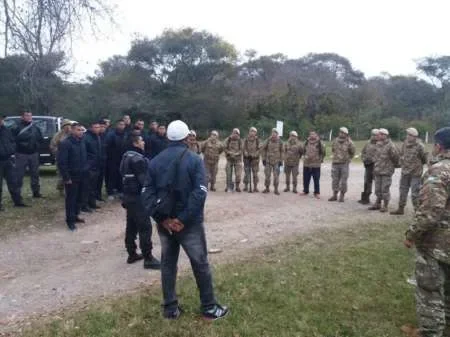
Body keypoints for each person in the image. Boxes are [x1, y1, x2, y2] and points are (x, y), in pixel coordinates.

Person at [147, 120, 228, 320]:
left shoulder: (155, 161)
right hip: (189, 223)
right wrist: (182, 220)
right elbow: (199, 193)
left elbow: (147, 194)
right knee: (200, 263)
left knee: (168, 264)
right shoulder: (193, 160)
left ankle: (170, 308)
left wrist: (163, 219)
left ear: (168, 137)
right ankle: (209, 307)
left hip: (164, 224)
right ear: (186, 138)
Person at [403, 127, 450, 337]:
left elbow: (431, 211)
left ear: (438, 146)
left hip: (438, 242)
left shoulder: (439, 171)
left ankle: (431, 331)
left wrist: (412, 234)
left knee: (430, 288)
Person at [120, 134, 161, 269]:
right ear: (136, 143)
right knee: (145, 227)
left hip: (128, 196)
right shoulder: (138, 160)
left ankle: (132, 253)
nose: (143, 142)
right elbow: (144, 182)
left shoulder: (126, 156)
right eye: (141, 140)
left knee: (131, 226)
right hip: (137, 198)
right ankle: (148, 257)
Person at [57, 123, 88, 231]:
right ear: (73, 131)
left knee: (80, 197)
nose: (81, 132)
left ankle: (75, 215)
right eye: (78, 130)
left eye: (82, 130)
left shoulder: (82, 141)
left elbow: (85, 157)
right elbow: (62, 162)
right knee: (71, 199)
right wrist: (66, 177)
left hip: (82, 174)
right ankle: (70, 220)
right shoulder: (66, 143)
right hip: (71, 176)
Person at [391, 128, 428, 215]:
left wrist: (416, 165)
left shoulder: (420, 146)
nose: (408, 136)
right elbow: (401, 154)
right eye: (407, 134)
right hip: (405, 172)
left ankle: (417, 212)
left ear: (415, 136)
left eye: (410, 135)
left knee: (415, 193)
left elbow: (424, 159)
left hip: (415, 173)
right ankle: (400, 209)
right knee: (402, 191)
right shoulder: (405, 143)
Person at [11, 109, 44, 198]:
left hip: (34, 154)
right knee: (19, 175)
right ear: (22, 117)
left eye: (30, 115)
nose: (29, 117)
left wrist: (37, 146)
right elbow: (12, 140)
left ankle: (36, 192)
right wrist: (20, 146)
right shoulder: (16, 127)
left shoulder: (35, 127)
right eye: (27, 115)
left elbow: (40, 139)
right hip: (21, 154)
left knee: (35, 174)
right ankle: (17, 194)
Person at [369, 128, 400, 213]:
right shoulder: (377, 144)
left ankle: (385, 206)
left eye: (381, 134)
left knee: (385, 189)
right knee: (377, 189)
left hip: (386, 171)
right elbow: (375, 156)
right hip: (378, 170)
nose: (378, 136)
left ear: (385, 136)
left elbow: (396, 157)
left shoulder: (391, 145)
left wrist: (391, 166)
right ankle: (377, 204)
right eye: (378, 134)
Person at [0, 115, 26, 210]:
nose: (1, 121)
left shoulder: (6, 130)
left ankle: (18, 201)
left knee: (13, 182)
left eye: (2, 119)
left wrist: (12, 149)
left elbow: (13, 141)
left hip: (8, 159)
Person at [329, 127, 355, 202]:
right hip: (335, 163)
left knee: (343, 180)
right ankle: (334, 195)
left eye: (343, 133)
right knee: (335, 179)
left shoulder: (349, 142)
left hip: (344, 164)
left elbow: (352, 152)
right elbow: (333, 150)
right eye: (340, 132)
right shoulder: (335, 141)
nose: (341, 134)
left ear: (346, 134)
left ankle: (342, 195)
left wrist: (348, 158)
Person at [83, 121, 103, 211]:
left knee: (94, 186)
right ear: (91, 128)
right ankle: (85, 205)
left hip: (97, 165)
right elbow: (85, 153)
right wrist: (87, 165)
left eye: (98, 127)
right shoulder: (86, 137)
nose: (97, 129)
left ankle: (92, 203)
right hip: (89, 166)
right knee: (87, 187)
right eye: (95, 127)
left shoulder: (98, 137)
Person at [105, 120, 127, 200]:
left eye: (123, 125)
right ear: (117, 125)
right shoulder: (111, 134)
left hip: (122, 158)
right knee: (112, 175)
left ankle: (120, 190)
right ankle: (110, 192)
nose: (122, 126)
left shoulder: (125, 134)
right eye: (120, 124)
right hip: (112, 158)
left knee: (120, 175)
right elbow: (107, 146)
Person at [50, 119, 73, 195]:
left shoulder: (72, 134)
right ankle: (61, 189)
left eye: (69, 125)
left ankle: (69, 189)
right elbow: (53, 146)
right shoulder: (58, 135)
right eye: (66, 126)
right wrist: (57, 152)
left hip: (71, 158)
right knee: (61, 174)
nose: (68, 127)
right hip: (61, 158)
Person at [301, 131, 326, 199]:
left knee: (316, 179)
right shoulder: (306, 142)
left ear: (316, 135)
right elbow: (302, 150)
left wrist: (320, 159)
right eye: (311, 134)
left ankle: (317, 193)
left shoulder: (320, 143)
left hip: (316, 165)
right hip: (307, 164)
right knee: (306, 179)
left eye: (313, 134)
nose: (312, 135)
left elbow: (323, 152)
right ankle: (305, 191)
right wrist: (304, 156)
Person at [358, 129, 379, 205]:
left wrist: (374, 160)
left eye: (375, 135)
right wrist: (364, 159)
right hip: (368, 165)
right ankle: (365, 198)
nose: (374, 136)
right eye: (373, 135)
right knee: (367, 182)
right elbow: (363, 152)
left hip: (377, 166)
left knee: (378, 183)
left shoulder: (380, 144)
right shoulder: (368, 143)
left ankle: (378, 201)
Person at [261, 128, 284, 195]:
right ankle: (267, 188)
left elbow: (282, 151)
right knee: (267, 176)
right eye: (273, 133)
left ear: (277, 134)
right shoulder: (268, 140)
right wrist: (263, 158)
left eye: (275, 133)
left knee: (276, 176)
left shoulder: (280, 141)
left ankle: (276, 189)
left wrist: (281, 160)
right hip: (268, 161)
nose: (274, 134)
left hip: (276, 161)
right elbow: (263, 149)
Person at [243, 127, 260, 193]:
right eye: (251, 131)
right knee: (247, 173)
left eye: (254, 131)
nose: (252, 133)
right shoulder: (246, 140)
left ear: (256, 133)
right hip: (247, 159)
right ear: (249, 132)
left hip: (255, 160)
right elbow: (243, 148)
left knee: (255, 174)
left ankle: (255, 187)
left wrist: (254, 155)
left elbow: (259, 149)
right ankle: (246, 186)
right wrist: (246, 153)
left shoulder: (257, 140)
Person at [96, 119, 108, 201]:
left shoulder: (105, 136)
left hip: (103, 160)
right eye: (101, 127)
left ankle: (98, 195)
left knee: (100, 179)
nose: (103, 128)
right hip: (95, 162)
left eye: (104, 127)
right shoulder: (95, 136)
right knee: (94, 181)